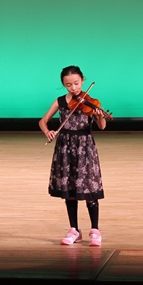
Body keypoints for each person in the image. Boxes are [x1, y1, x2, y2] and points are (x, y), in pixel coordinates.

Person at [39, 65, 107, 247]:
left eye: (76, 83)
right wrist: (48, 131)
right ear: (64, 85)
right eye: (68, 85)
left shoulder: (90, 102)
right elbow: (43, 121)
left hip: (85, 148)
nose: (73, 88)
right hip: (65, 148)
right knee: (69, 191)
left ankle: (95, 230)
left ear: (82, 80)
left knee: (89, 189)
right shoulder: (61, 101)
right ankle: (74, 230)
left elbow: (102, 126)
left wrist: (99, 116)